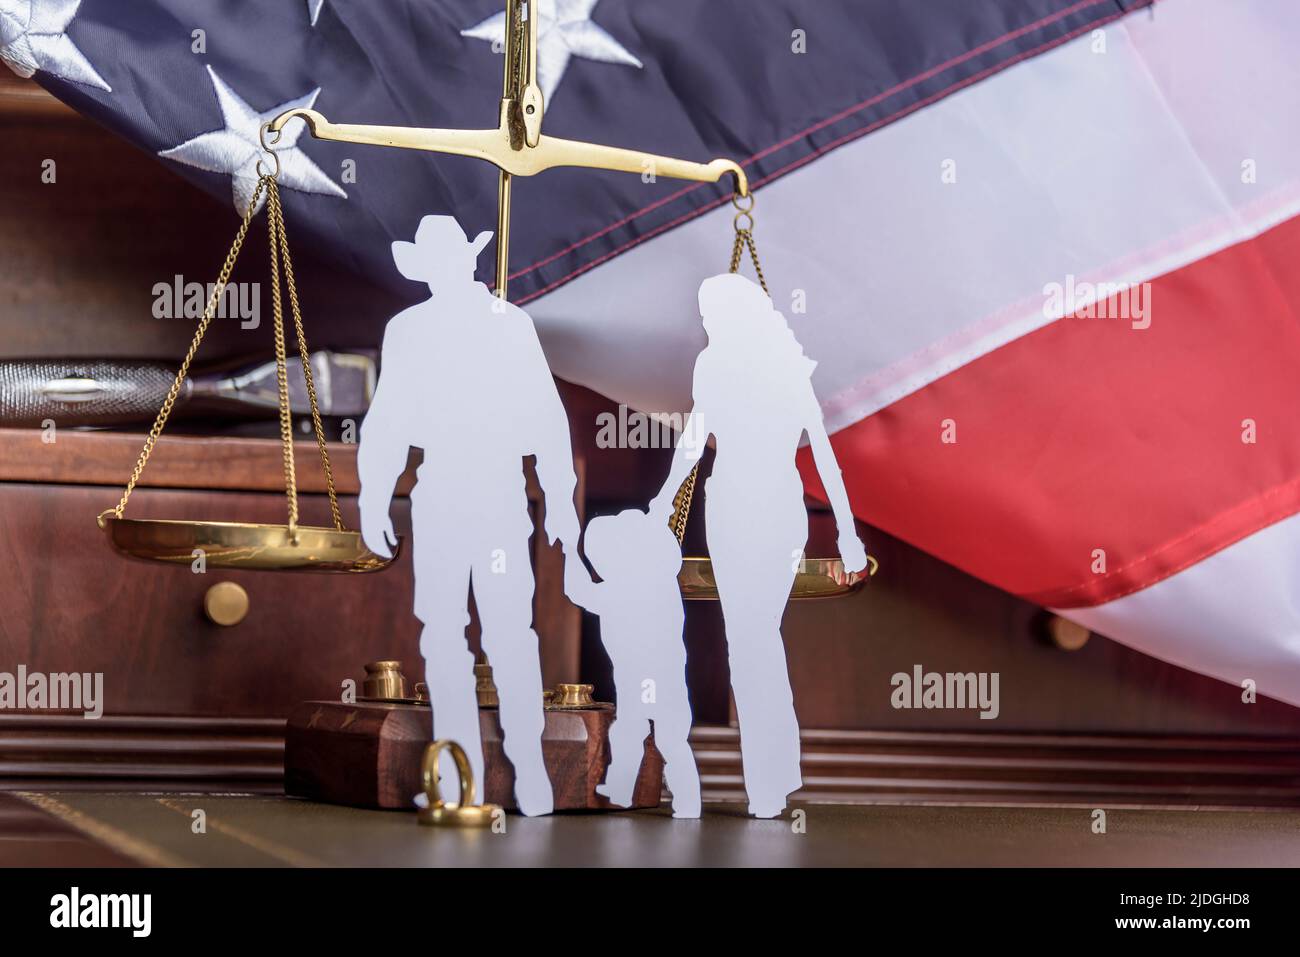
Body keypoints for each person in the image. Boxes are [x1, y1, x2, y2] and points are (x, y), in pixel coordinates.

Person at [358, 215, 580, 817]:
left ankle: (530, 769)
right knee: (443, 637)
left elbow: (545, 412)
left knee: (510, 633)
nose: (443, 272)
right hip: (437, 496)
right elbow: (387, 417)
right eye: (433, 264)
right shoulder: (407, 329)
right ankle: (458, 776)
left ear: (469, 262)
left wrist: (558, 494)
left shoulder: (511, 326)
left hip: (501, 493)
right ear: (426, 270)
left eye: (450, 260)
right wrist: (373, 494)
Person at [649, 272, 868, 818]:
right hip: (727, 510)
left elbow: (823, 454)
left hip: (772, 511)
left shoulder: (785, 368)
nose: (705, 324)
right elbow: (694, 441)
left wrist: (848, 534)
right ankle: (773, 775)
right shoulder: (713, 363)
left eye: (710, 314)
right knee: (750, 643)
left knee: (754, 641)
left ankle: (771, 778)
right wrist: (661, 503)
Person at [565, 509, 701, 818]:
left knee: (635, 731)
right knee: (663, 736)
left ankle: (627, 790)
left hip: (640, 675)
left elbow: (577, 591)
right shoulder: (664, 588)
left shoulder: (622, 589)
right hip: (666, 675)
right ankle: (664, 798)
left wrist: (570, 554)